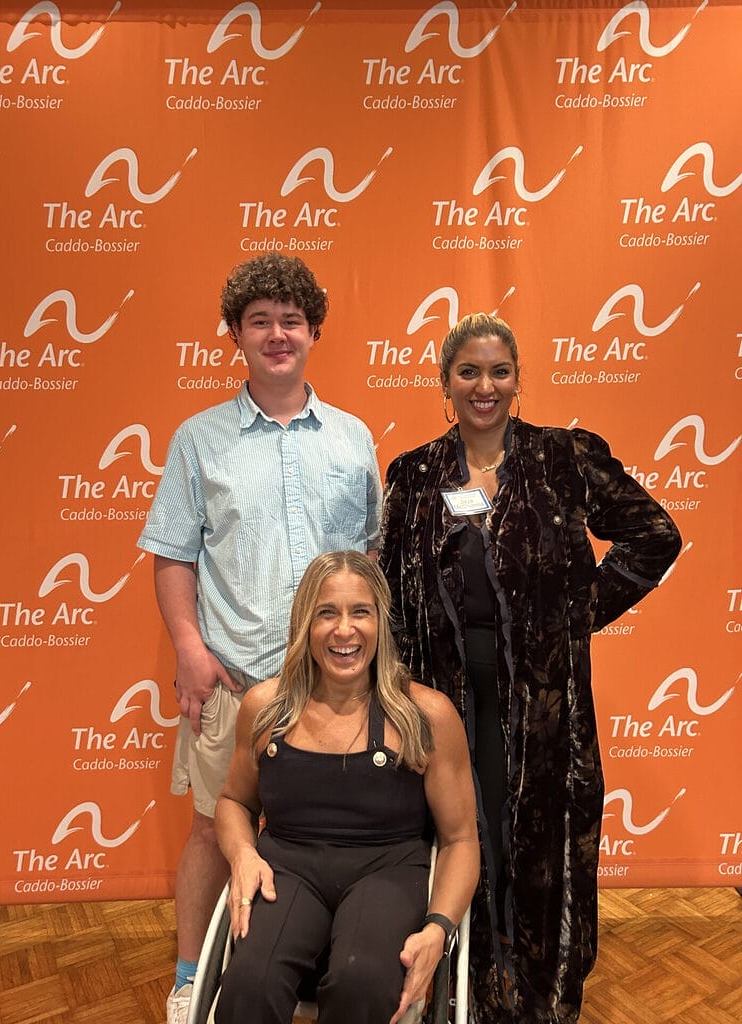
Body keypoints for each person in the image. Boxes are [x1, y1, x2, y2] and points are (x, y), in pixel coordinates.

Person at [378, 313, 682, 1023]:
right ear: (446, 382)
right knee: (465, 832)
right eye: (468, 371)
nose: (484, 386)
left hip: (546, 704)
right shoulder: (414, 474)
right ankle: (463, 988)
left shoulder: (563, 458)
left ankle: (538, 993)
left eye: (499, 371)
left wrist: (577, 614)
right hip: (446, 701)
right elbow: (389, 587)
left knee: (541, 842)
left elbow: (655, 535)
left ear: (518, 380)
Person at [137, 255, 382, 1024]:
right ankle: (191, 977)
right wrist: (189, 649)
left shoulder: (353, 437)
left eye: (291, 321)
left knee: (334, 840)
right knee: (214, 829)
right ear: (236, 335)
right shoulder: (198, 440)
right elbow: (173, 555)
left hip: (338, 690)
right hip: (235, 681)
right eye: (260, 322)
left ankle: (307, 973)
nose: (278, 335)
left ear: (313, 333)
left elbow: (371, 557)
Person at [213, 551, 480, 1024]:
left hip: (388, 871)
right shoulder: (266, 708)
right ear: (304, 623)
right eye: (326, 613)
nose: (344, 630)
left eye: (360, 612)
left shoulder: (426, 715)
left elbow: (460, 840)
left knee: (363, 981)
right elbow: (235, 801)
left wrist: (439, 929)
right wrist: (242, 855)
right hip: (287, 869)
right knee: (249, 983)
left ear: (380, 621)